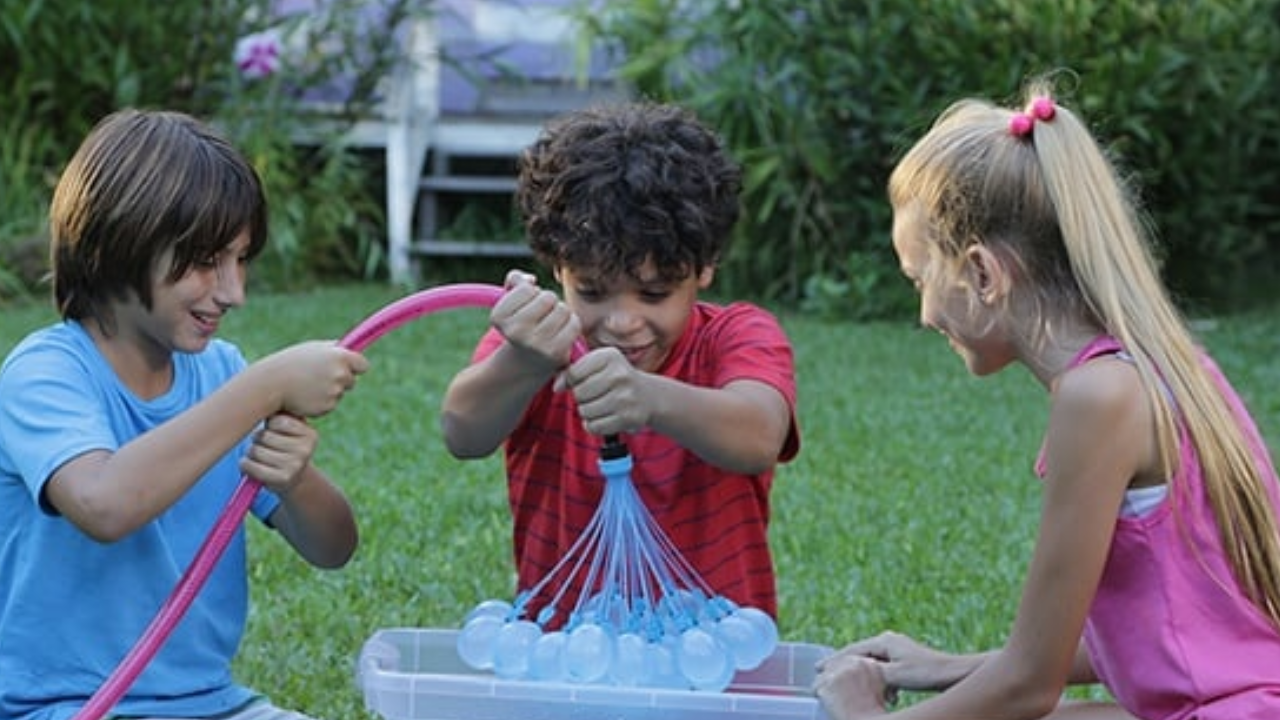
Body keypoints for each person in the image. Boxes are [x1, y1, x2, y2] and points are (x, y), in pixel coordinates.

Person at [813, 78, 1280, 719]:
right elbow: (1171, 621)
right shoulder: (1164, 364)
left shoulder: (1099, 399)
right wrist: (950, 667)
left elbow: (1030, 687)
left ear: (982, 275)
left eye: (920, 279)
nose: (923, 314)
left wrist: (863, 716)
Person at [0, 109, 370, 720]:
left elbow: (334, 548)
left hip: (212, 705)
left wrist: (296, 481)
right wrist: (267, 385)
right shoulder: (44, 373)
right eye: (205, 261)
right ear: (118, 243)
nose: (233, 292)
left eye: (241, 259)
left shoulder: (221, 375)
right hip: (63, 708)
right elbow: (105, 503)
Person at [440, 101, 800, 625]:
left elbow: (759, 434)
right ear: (557, 265)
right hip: (568, 649)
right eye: (591, 291)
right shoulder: (539, 342)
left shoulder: (735, 336)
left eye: (653, 294)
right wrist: (521, 361)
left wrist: (650, 398)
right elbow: (462, 433)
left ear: (705, 268)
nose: (622, 322)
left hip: (715, 651)